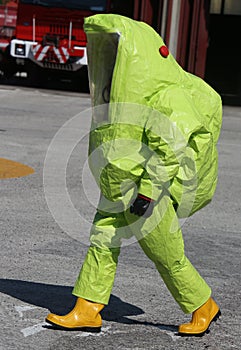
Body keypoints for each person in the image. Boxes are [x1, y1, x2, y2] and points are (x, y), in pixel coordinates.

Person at [45, 14, 222, 336]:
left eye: (116, 49)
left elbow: (170, 150)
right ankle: (87, 309)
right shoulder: (118, 93)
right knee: (102, 243)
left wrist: (147, 192)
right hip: (116, 185)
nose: (109, 57)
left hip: (145, 191)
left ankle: (203, 306)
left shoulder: (167, 95)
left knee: (165, 252)